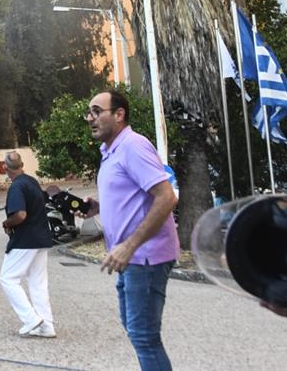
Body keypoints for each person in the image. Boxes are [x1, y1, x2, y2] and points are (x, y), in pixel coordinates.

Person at [77, 89, 179, 371]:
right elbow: (133, 196)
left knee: (145, 337)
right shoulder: (111, 150)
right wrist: (97, 206)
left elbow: (166, 197)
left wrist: (130, 245)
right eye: (89, 112)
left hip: (145, 257)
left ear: (119, 114)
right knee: (137, 331)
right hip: (131, 259)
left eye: (97, 111)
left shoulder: (133, 145)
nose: (90, 118)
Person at [0, 150, 56, 338]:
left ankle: (30, 318)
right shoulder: (31, 181)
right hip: (42, 238)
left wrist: (7, 223)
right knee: (38, 283)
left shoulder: (17, 187)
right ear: (22, 165)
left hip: (26, 240)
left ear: (6, 168)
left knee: (7, 278)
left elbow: (20, 215)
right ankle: (46, 326)